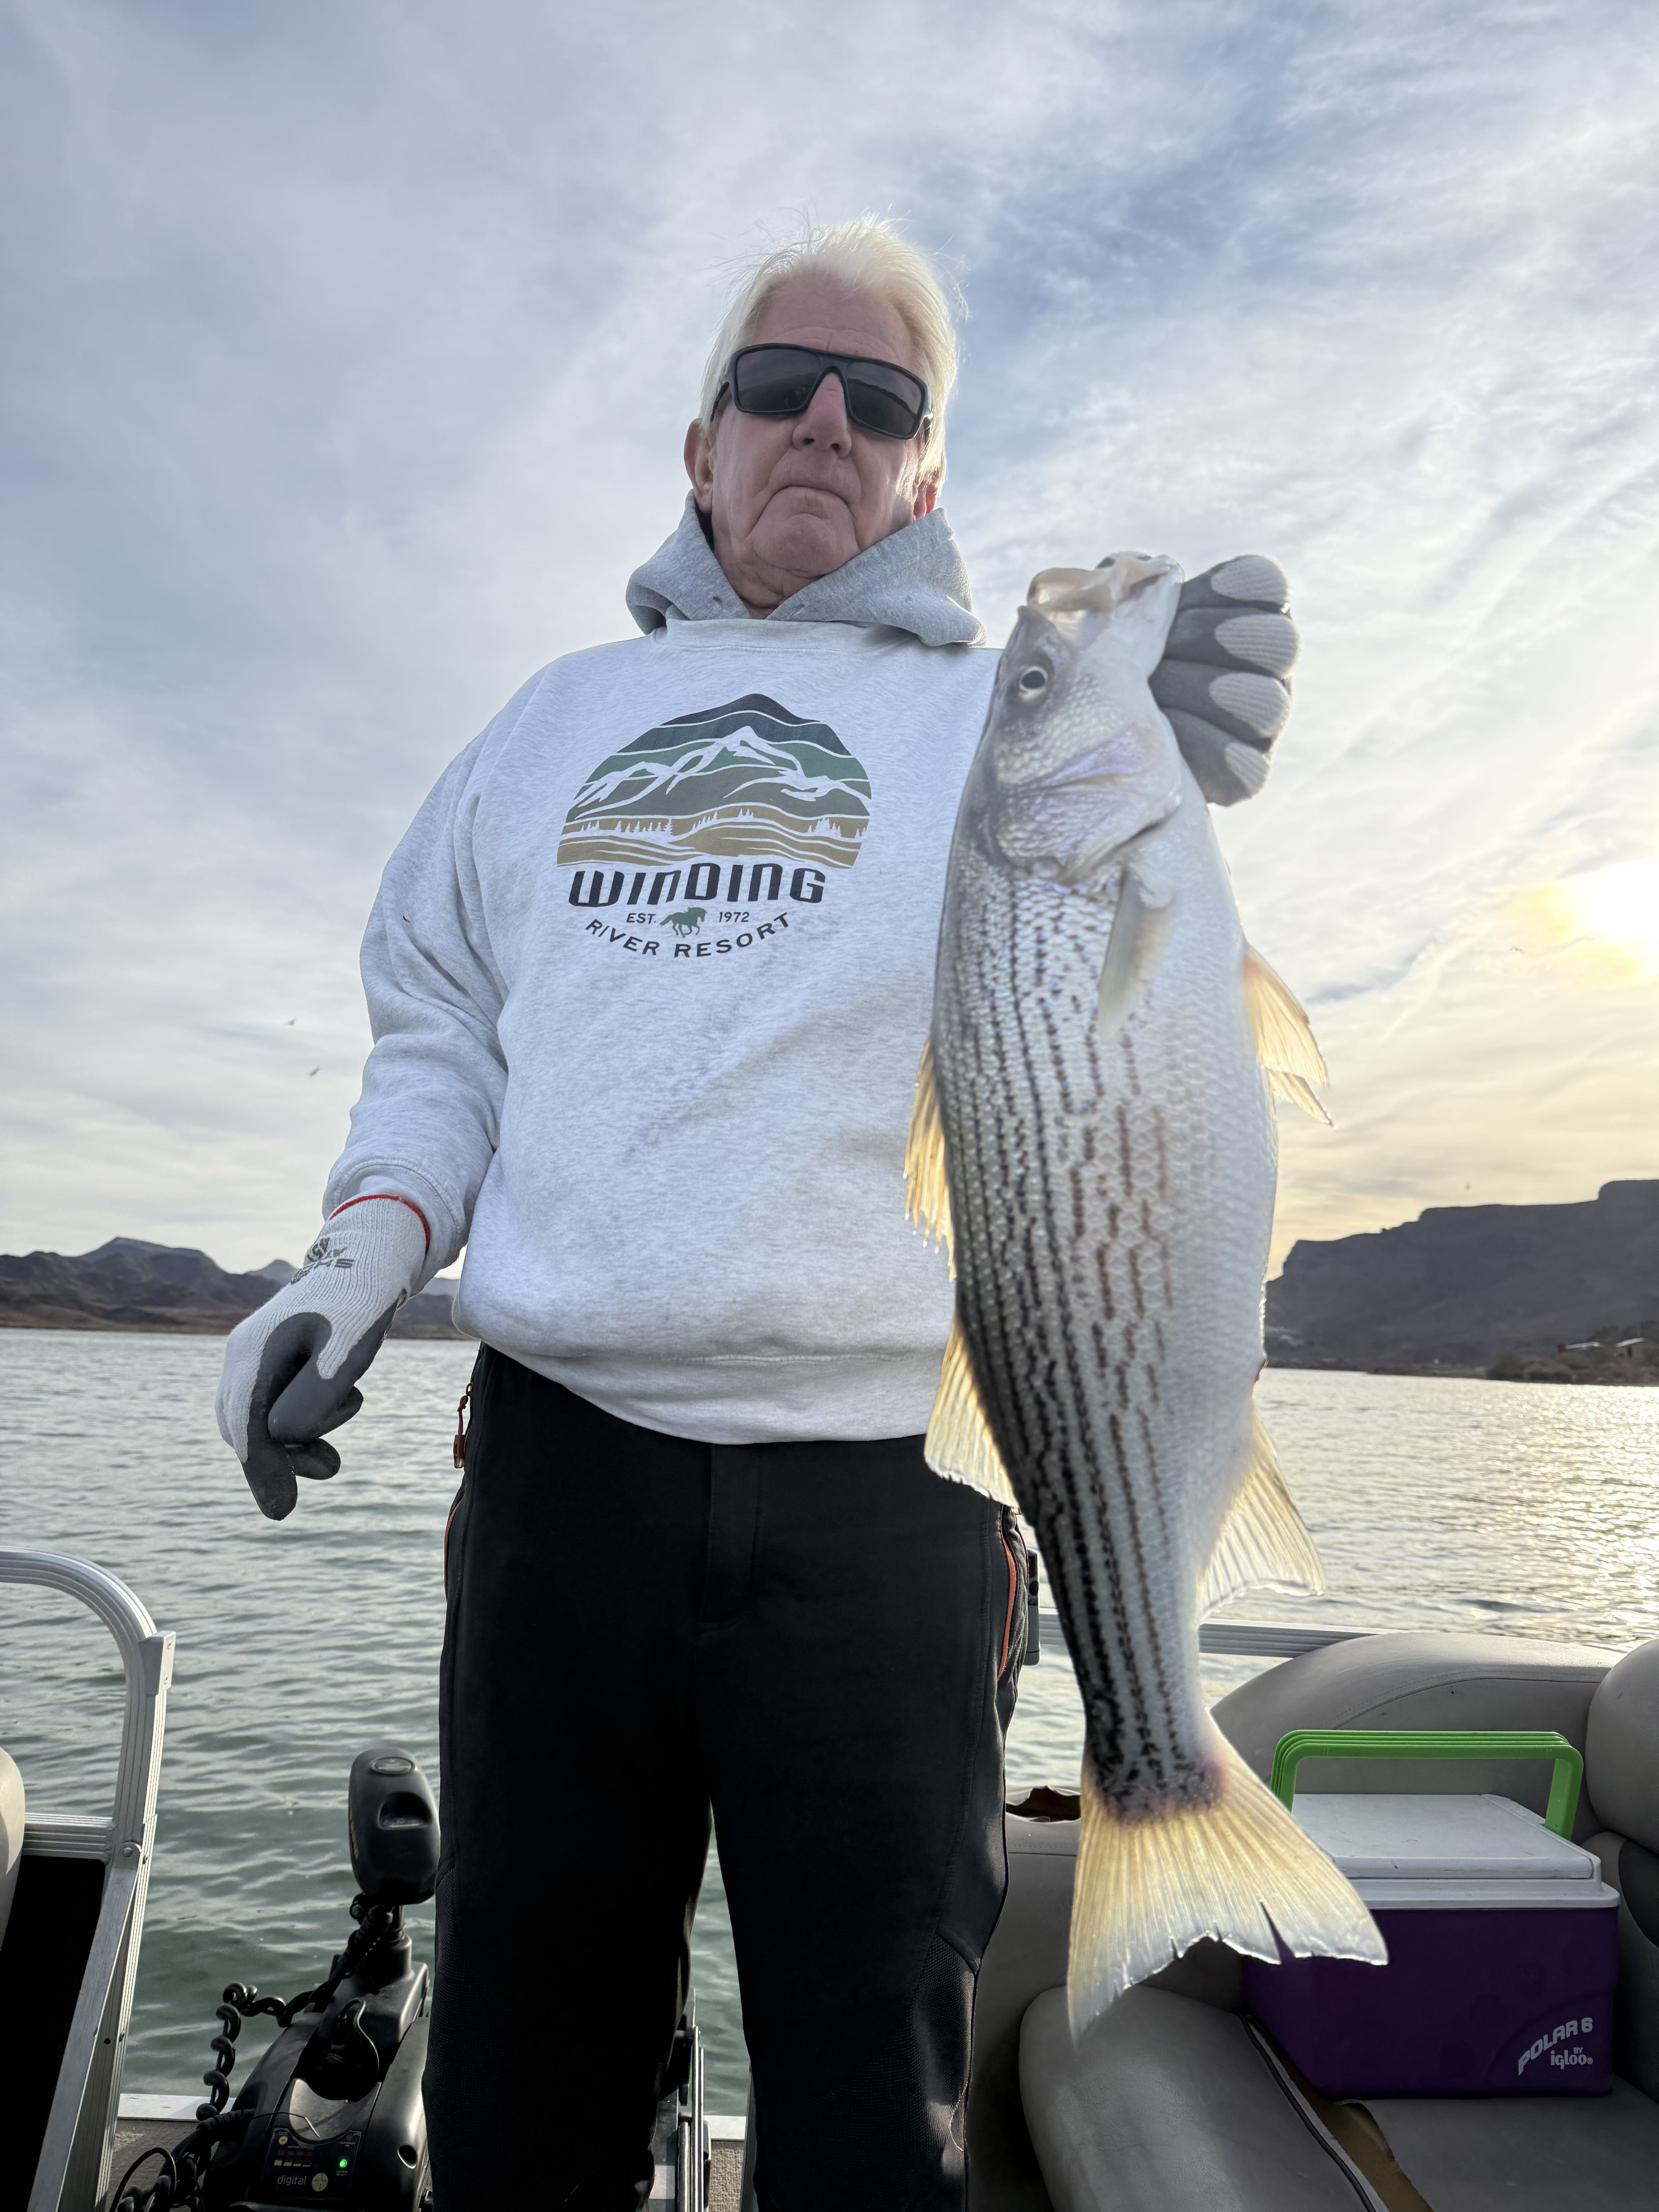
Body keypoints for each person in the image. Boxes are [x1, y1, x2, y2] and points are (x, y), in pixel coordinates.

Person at [215, 218, 1298, 2209]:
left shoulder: (1003, 720)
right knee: (527, 2071)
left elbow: (1143, 1030)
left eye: (878, 401)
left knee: (871, 2102)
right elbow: (440, 1033)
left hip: (900, 1496)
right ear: (699, 445)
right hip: (563, 1486)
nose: (824, 421)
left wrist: (1185, 721)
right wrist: (357, 1261)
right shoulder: (537, 728)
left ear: (927, 475)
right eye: (778, 387)